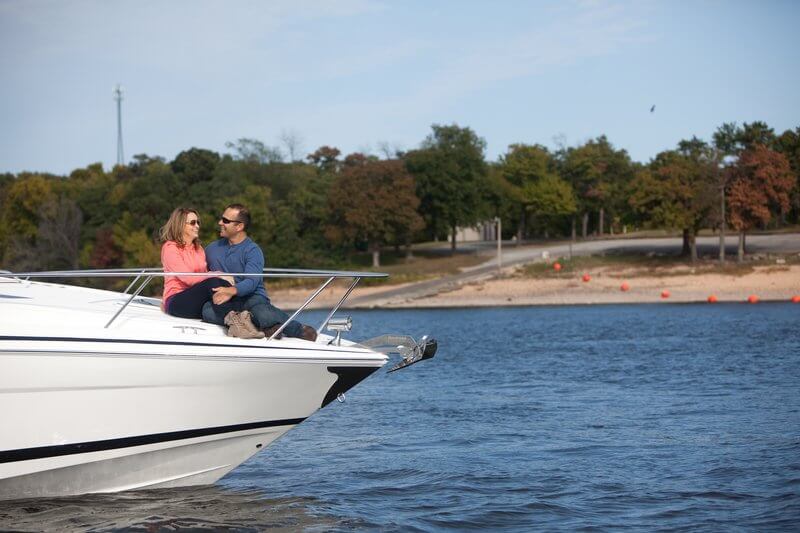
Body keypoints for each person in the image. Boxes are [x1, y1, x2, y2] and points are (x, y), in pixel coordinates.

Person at [201, 203, 317, 341]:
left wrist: (230, 290)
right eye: (222, 218)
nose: (220, 223)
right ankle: (262, 325)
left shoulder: (252, 250)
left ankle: (299, 330)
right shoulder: (211, 249)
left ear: (239, 226)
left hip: (252, 298)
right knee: (207, 311)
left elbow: (252, 282)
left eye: (226, 221)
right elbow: (198, 270)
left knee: (262, 313)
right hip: (227, 302)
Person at [159, 207, 264, 339]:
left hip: (196, 299)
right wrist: (217, 274)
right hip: (176, 300)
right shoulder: (170, 248)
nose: (197, 226)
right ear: (180, 225)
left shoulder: (199, 249)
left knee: (221, 284)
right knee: (214, 281)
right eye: (192, 223)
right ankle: (237, 325)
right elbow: (188, 278)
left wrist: (222, 280)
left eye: (198, 222)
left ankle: (244, 321)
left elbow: (204, 277)